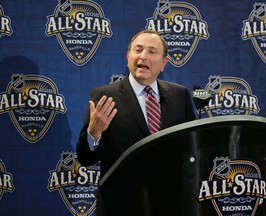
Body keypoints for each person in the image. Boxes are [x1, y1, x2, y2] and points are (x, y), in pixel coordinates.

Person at [76, 29, 195, 175]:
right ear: (128, 57)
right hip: (123, 195)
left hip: (168, 195)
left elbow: (192, 147)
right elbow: (86, 158)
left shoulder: (180, 95)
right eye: (138, 50)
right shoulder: (105, 97)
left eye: (152, 52)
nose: (143, 56)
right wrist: (93, 133)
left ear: (164, 63)